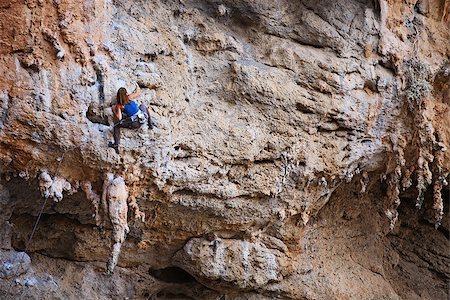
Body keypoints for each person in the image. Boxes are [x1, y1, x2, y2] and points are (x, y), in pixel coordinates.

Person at [108, 84, 154, 154]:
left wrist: (114, 110)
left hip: (135, 123)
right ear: (126, 93)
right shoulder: (129, 97)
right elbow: (138, 93)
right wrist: (137, 86)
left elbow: (119, 118)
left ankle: (116, 144)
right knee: (143, 106)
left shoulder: (119, 105)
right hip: (143, 118)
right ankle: (150, 124)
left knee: (116, 126)